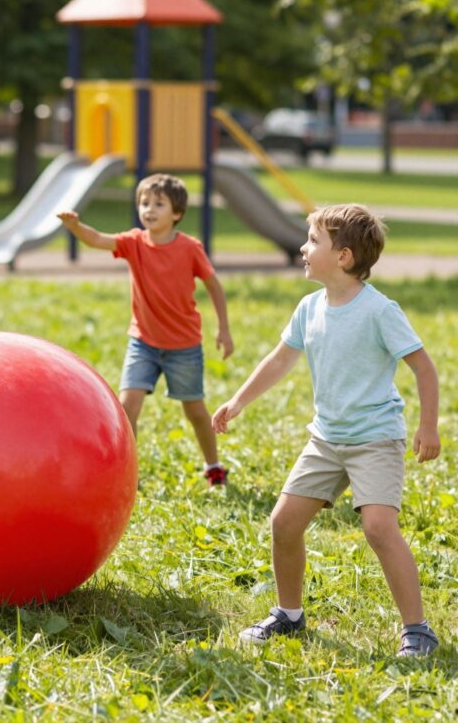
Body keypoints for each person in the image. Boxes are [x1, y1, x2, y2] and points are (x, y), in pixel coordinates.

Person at [212, 204, 441, 656]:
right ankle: (289, 615)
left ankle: (417, 629)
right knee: (283, 521)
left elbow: (424, 367)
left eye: (313, 240)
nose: (303, 247)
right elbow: (279, 359)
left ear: (344, 257)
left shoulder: (379, 310)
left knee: (378, 527)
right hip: (326, 439)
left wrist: (428, 425)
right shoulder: (309, 307)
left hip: (374, 438)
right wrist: (238, 400)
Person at [57, 173, 234, 486]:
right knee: (127, 406)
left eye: (158, 204)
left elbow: (214, 285)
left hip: (183, 346)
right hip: (143, 342)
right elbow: (98, 239)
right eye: (144, 202)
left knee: (194, 411)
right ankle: (129, 472)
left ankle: (214, 466)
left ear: (176, 213)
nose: (149, 209)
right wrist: (75, 227)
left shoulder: (189, 248)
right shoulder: (133, 242)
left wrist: (224, 329)